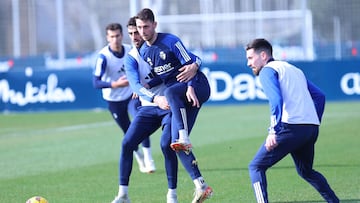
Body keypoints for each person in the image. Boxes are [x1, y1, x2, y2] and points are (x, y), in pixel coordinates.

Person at [111, 16, 212, 203]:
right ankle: (124, 194)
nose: (137, 35)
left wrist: (195, 66)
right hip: (151, 106)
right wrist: (152, 92)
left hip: (172, 103)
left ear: (151, 27)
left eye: (140, 29)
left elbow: (189, 59)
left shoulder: (163, 43)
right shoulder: (135, 56)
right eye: (133, 32)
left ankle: (174, 193)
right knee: (131, 144)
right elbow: (137, 84)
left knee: (171, 142)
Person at [245, 38, 339, 203]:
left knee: (256, 167)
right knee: (306, 171)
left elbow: (275, 100)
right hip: (310, 129)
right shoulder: (294, 69)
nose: (248, 63)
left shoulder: (267, 70)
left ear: (263, 55)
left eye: (250, 58)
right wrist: (313, 120)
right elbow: (320, 96)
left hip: (291, 129)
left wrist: (273, 131)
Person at [135, 8, 210, 156]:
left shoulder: (171, 41)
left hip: (197, 86)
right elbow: (163, 75)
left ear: (154, 25)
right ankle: (198, 179)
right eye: (139, 27)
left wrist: (190, 88)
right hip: (179, 96)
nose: (142, 31)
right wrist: (148, 85)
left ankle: (184, 136)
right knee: (170, 143)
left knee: (169, 92)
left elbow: (191, 65)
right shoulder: (143, 51)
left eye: (146, 26)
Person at [93, 22, 155, 173]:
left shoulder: (130, 50)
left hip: (131, 95)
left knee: (141, 120)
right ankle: (140, 157)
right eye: (112, 36)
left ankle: (149, 158)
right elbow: (96, 82)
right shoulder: (104, 56)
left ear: (122, 35)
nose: (115, 39)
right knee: (128, 132)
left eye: (118, 35)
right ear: (107, 38)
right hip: (114, 100)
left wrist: (137, 84)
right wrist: (115, 84)